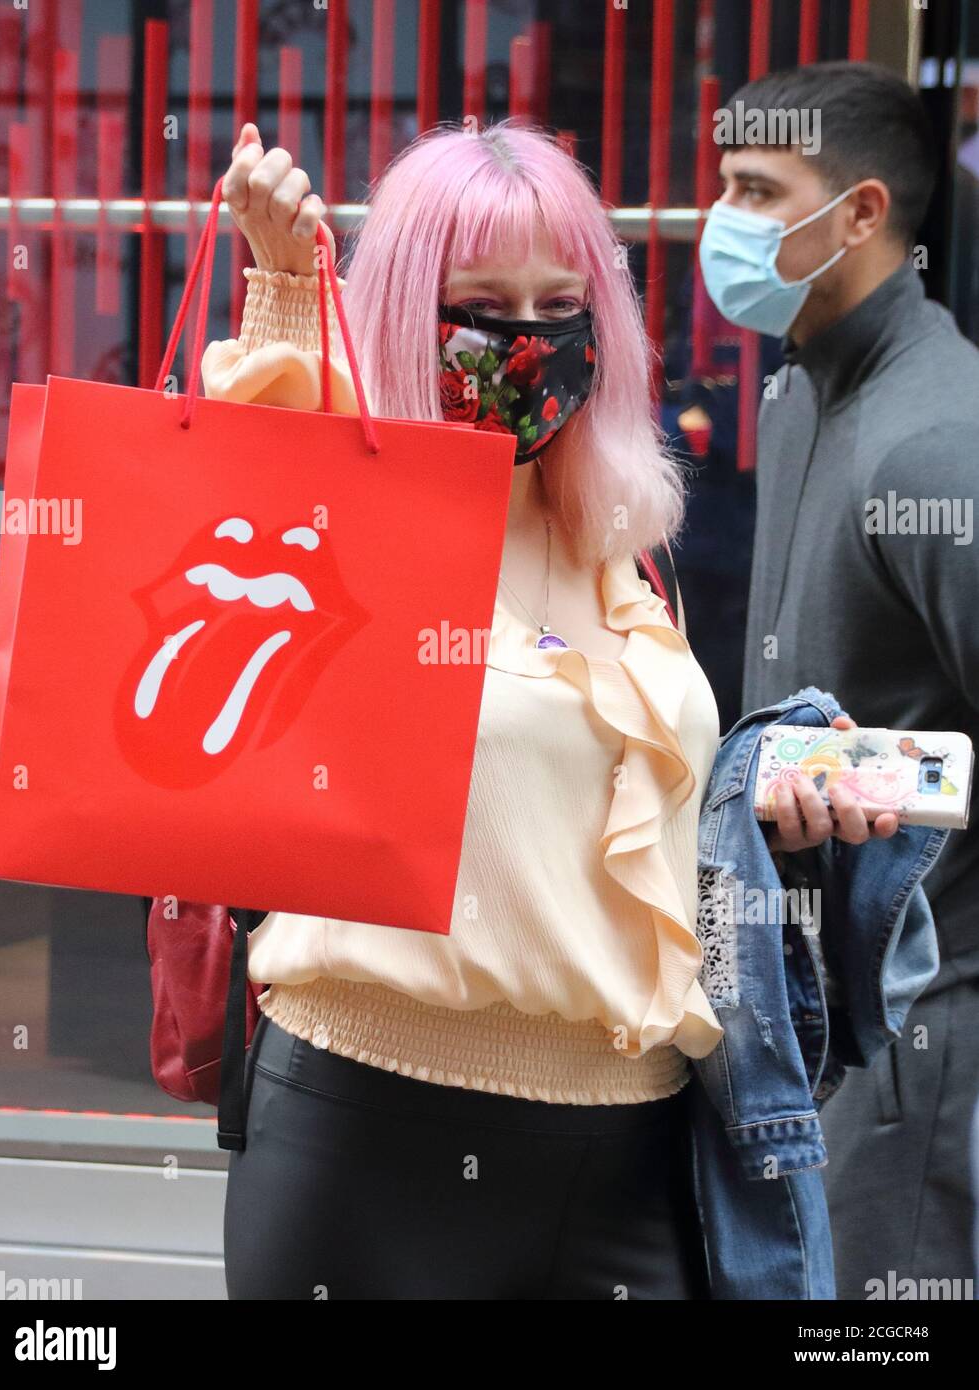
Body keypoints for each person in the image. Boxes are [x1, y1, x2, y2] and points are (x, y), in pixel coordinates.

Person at [204, 117, 893, 1301]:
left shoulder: (612, 543)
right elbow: (259, 500)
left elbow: (618, 810)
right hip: (373, 1138)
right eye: (481, 304)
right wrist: (281, 288)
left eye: (558, 305)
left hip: (632, 1154)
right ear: (403, 316)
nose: (527, 344)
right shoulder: (354, 519)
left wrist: (760, 802)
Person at [702, 60, 979, 1298]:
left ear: (864, 213)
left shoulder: (942, 439)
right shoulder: (800, 394)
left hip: (927, 1047)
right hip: (808, 1018)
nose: (725, 217)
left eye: (760, 190)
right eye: (724, 185)